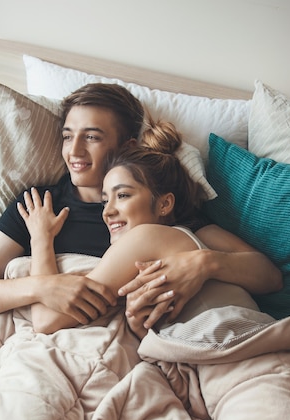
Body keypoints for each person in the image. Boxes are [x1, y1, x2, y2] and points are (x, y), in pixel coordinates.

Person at [0, 83, 282, 325]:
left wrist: (205, 264)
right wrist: (42, 286)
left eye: (92, 137)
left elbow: (268, 276)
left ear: (126, 145)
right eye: (67, 135)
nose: (74, 151)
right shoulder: (38, 207)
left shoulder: (154, 211)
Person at [17, 116, 262, 336]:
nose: (107, 211)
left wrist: (40, 239)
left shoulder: (146, 237)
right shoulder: (184, 237)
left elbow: (45, 321)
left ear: (165, 203)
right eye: (105, 200)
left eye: (122, 195)